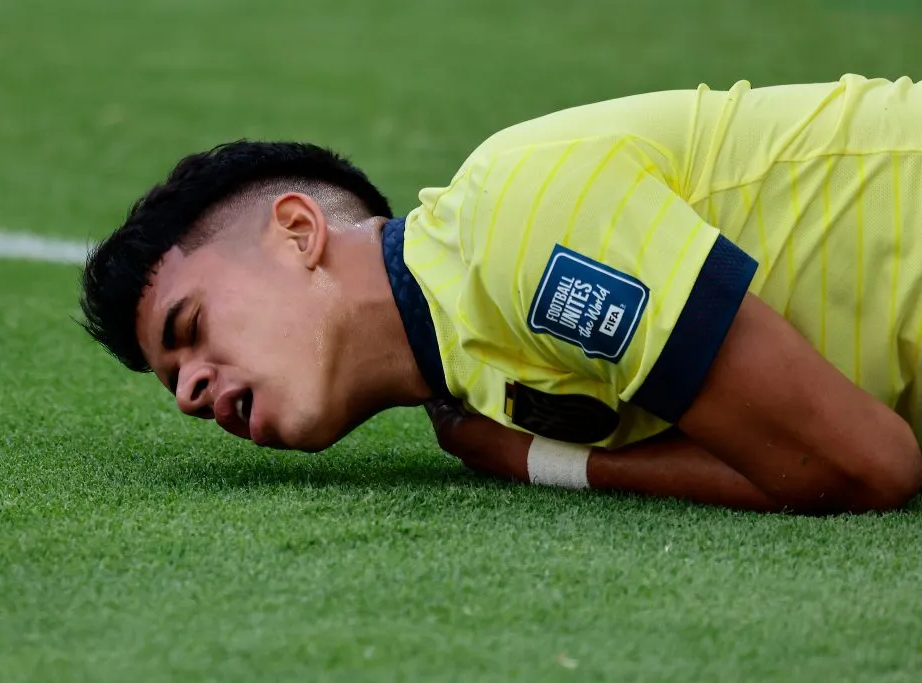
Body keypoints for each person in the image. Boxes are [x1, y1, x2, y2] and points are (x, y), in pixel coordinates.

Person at [80, 74, 922, 514]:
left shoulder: (514, 224)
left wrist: (547, 465)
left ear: (299, 231)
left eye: (189, 326)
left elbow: (863, 468)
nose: (189, 390)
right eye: (174, 380)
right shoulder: (480, 386)